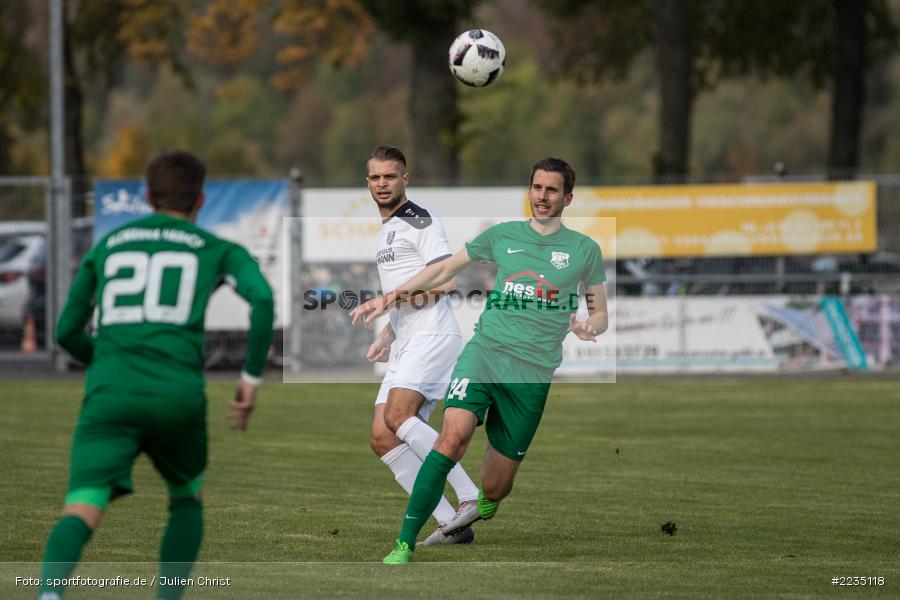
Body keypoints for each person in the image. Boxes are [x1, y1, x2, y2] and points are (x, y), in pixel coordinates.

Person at [36, 150, 275, 600]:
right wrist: (251, 379)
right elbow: (262, 300)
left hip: (111, 394)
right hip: (177, 394)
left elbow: (65, 331)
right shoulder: (216, 248)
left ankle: (48, 594)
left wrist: (108, 361)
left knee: (83, 505)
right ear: (200, 199)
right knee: (186, 496)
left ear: (147, 196)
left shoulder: (109, 244)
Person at [351, 157, 609, 563]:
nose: (542, 196)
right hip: (484, 353)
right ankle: (404, 542)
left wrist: (588, 325)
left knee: (496, 486)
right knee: (451, 438)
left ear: (568, 197)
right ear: (529, 192)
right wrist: (389, 300)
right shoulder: (502, 235)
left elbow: (600, 312)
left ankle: (483, 501)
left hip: (531, 373)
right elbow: (443, 271)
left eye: (552, 190)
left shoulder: (584, 250)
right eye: (537, 188)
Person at [363, 145, 480, 545]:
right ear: (368, 182)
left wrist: (388, 302)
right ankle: (452, 525)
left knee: (398, 415)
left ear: (405, 179)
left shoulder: (419, 220)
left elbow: (445, 283)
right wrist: (388, 332)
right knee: (382, 436)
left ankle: (467, 495)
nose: (383, 184)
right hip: (408, 340)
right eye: (376, 177)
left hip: (433, 336)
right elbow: (411, 290)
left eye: (390, 176)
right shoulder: (387, 229)